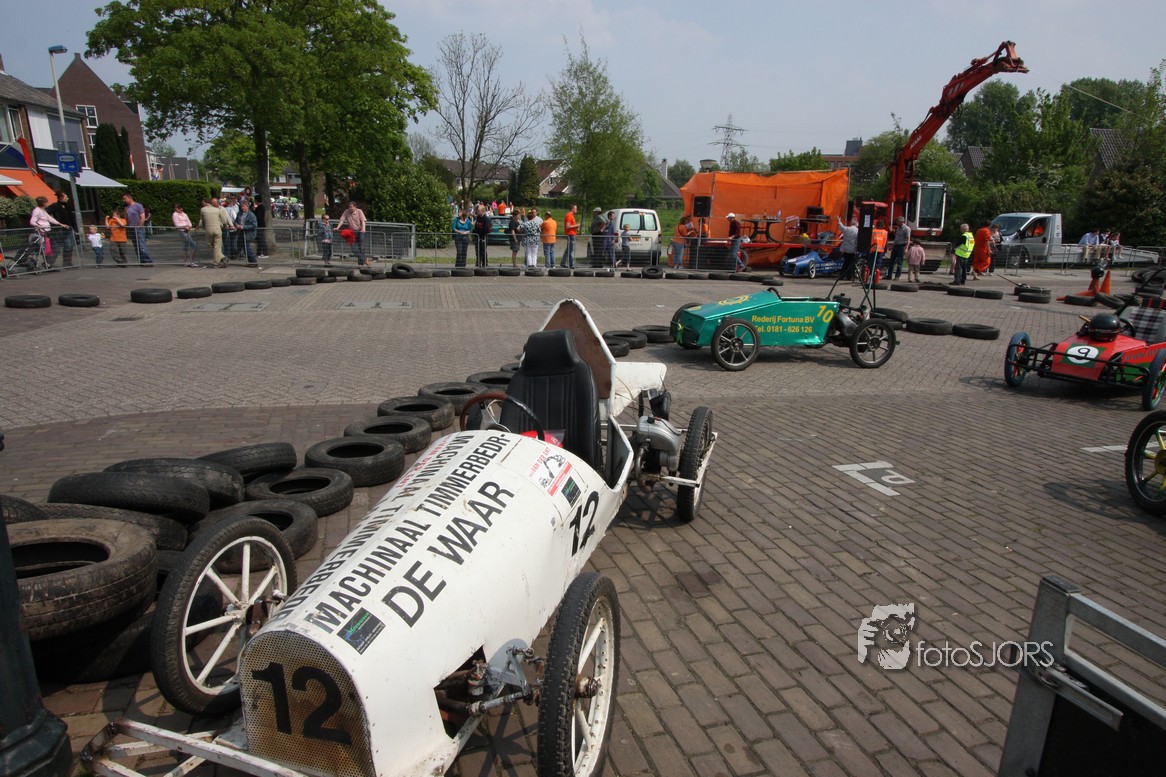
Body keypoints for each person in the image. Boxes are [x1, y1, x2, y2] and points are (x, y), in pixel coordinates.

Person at [197, 196, 233, 268]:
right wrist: (226, 225)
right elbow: (224, 220)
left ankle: (217, 261)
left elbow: (202, 220)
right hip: (218, 229)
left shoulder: (203, 210)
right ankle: (221, 257)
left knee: (211, 245)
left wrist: (202, 226)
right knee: (217, 246)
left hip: (208, 230)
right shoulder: (218, 210)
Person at [46, 191, 76, 267]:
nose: (67, 198)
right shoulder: (55, 206)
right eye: (66, 197)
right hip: (59, 229)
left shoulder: (68, 206)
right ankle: (48, 263)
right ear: (61, 198)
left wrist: (74, 228)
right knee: (56, 247)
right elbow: (46, 212)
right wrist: (52, 220)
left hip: (68, 228)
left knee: (69, 246)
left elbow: (71, 217)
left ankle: (67, 263)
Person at [122, 193, 153, 266]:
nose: (124, 200)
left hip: (139, 228)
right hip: (131, 228)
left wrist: (139, 226)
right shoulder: (126, 208)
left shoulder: (138, 206)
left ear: (129, 198)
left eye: (125, 198)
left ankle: (147, 261)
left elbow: (142, 217)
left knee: (142, 245)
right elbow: (126, 218)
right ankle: (142, 261)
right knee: (136, 246)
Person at [336, 201, 368, 267]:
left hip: (360, 231)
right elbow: (342, 220)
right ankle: (364, 259)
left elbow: (363, 221)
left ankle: (360, 264)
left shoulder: (359, 211)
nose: (350, 208)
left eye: (351, 207)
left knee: (361, 247)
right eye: (349, 207)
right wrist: (337, 227)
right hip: (352, 232)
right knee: (354, 249)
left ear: (355, 207)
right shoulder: (346, 212)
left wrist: (363, 229)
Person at [236, 201, 260, 267]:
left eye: (244, 206)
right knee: (243, 247)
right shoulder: (239, 213)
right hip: (240, 232)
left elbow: (254, 225)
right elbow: (236, 221)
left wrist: (244, 227)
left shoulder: (251, 215)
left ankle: (253, 261)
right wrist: (237, 225)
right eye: (241, 206)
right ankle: (250, 261)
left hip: (248, 233)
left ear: (247, 207)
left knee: (247, 247)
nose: (242, 208)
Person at [836, 215, 859, 280]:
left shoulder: (847, 229)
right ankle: (849, 276)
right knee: (851, 264)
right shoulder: (857, 231)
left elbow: (841, 227)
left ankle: (842, 275)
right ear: (856, 224)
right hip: (853, 250)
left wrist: (839, 221)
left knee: (845, 262)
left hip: (845, 249)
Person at [888, 217, 910, 281]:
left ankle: (897, 276)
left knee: (899, 261)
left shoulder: (906, 229)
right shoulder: (898, 228)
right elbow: (896, 238)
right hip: (896, 246)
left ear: (901, 222)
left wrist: (906, 248)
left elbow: (908, 239)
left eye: (898, 222)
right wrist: (893, 246)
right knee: (891, 261)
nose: (897, 223)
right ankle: (889, 275)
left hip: (901, 246)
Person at [223, 195, 240, 259]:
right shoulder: (231, 210)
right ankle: (234, 254)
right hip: (233, 226)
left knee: (227, 241)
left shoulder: (224, 209)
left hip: (226, 226)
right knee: (233, 241)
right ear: (231, 203)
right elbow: (234, 218)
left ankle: (227, 254)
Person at [563, 204, 578, 269]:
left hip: (572, 234)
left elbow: (570, 226)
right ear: (572, 209)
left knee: (568, 249)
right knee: (571, 250)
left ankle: (563, 262)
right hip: (571, 235)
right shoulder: (569, 215)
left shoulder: (571, 215)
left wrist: (576, 227)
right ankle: (571, 264)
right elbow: (567, 226)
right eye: (576, 209)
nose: (576, 210)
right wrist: (577, 225)